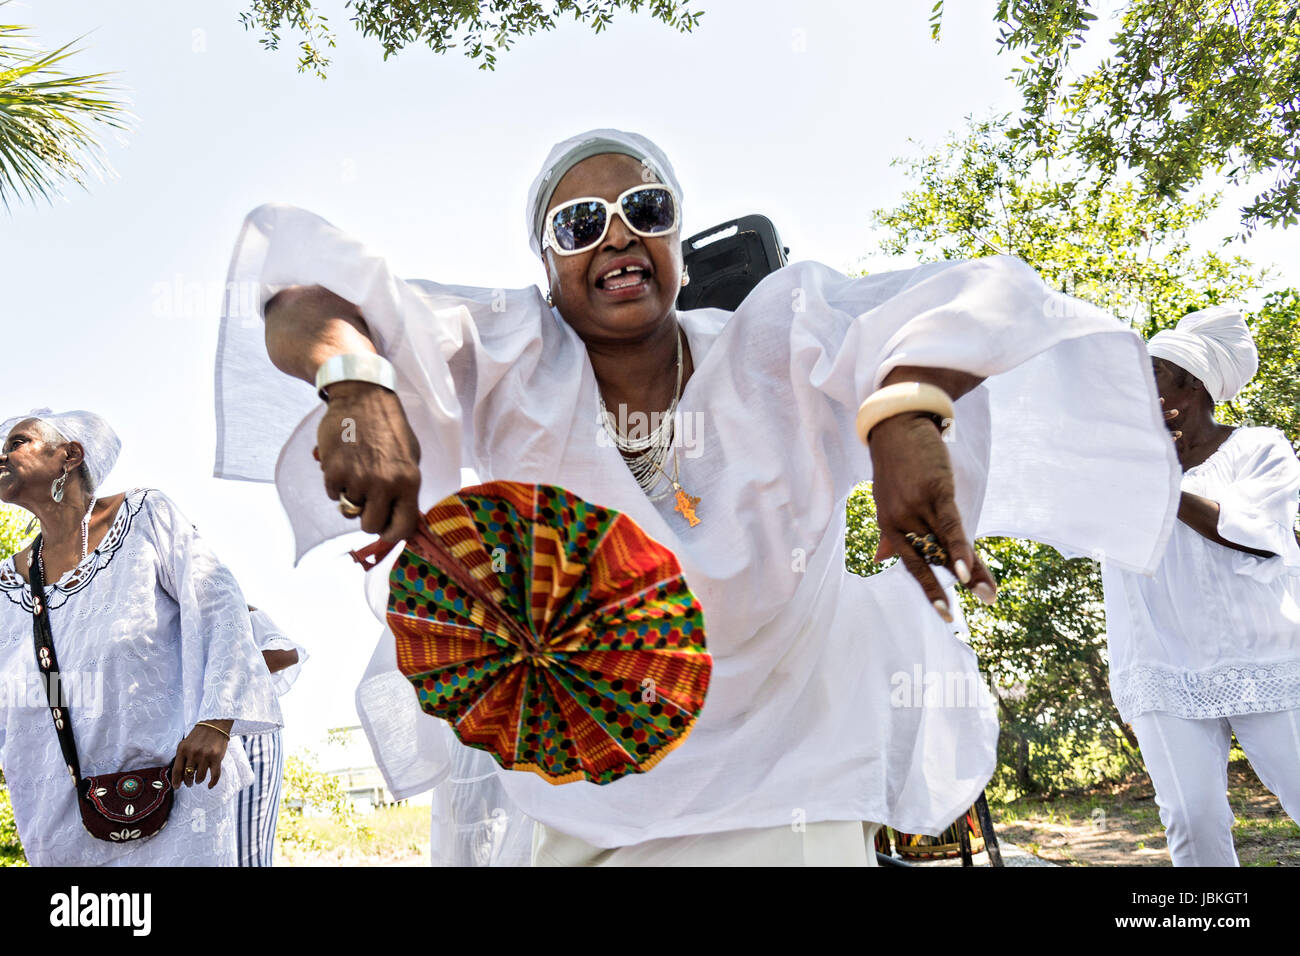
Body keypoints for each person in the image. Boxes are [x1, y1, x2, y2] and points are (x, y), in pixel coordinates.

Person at [213, 129, 1181, 865]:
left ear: (674, 234)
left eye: (645, 206)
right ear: (547, 269)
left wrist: (905, 414)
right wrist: (357, 382)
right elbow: (301, 293)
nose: (619, 234)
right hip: (588, 784)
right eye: (579, 224)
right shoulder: (509, 349)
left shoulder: (772, 332)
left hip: (785, 766)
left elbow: (946, 305)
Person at [0, 409, 281, 866]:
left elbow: (217, 605)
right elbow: (44, 686)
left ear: (69, 454)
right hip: (62, 817)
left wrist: (216, 720)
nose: (1, 455)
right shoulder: (11, 583)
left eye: (17, 442)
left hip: (177, 790)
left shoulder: (143, 517)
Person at [1102, 307, 1300, 866]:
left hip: (1266, 653)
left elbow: (1253, 533)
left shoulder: (1260, 448)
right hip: (1161, 662)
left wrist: (1161, 480)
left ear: (1189, 385)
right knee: (1192, 817)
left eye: (1151, 374)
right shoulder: (1126, 462)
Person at [235, 606, 307, 866]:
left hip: (252, 730)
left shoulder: (237, 604)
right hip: (198, 733)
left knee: (250, 848)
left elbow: (288, 654)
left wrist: (218, 671)